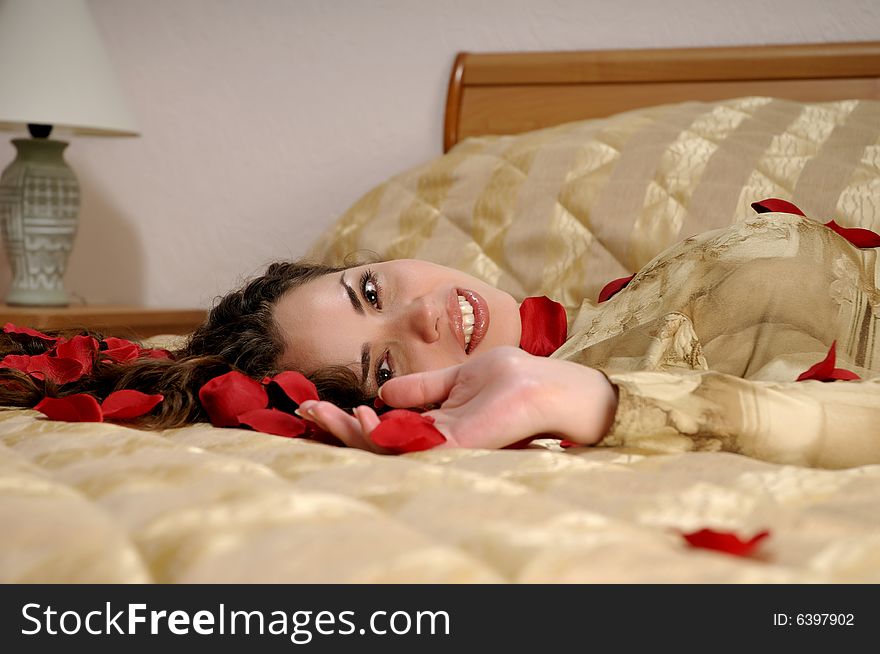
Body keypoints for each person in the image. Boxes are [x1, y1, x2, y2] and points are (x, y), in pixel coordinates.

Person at [1, 206, 879, 468]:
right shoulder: (601, 371)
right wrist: (605, 401)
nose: (423, 316)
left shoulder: (633, 313)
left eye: (372, 288)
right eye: (384, 362)